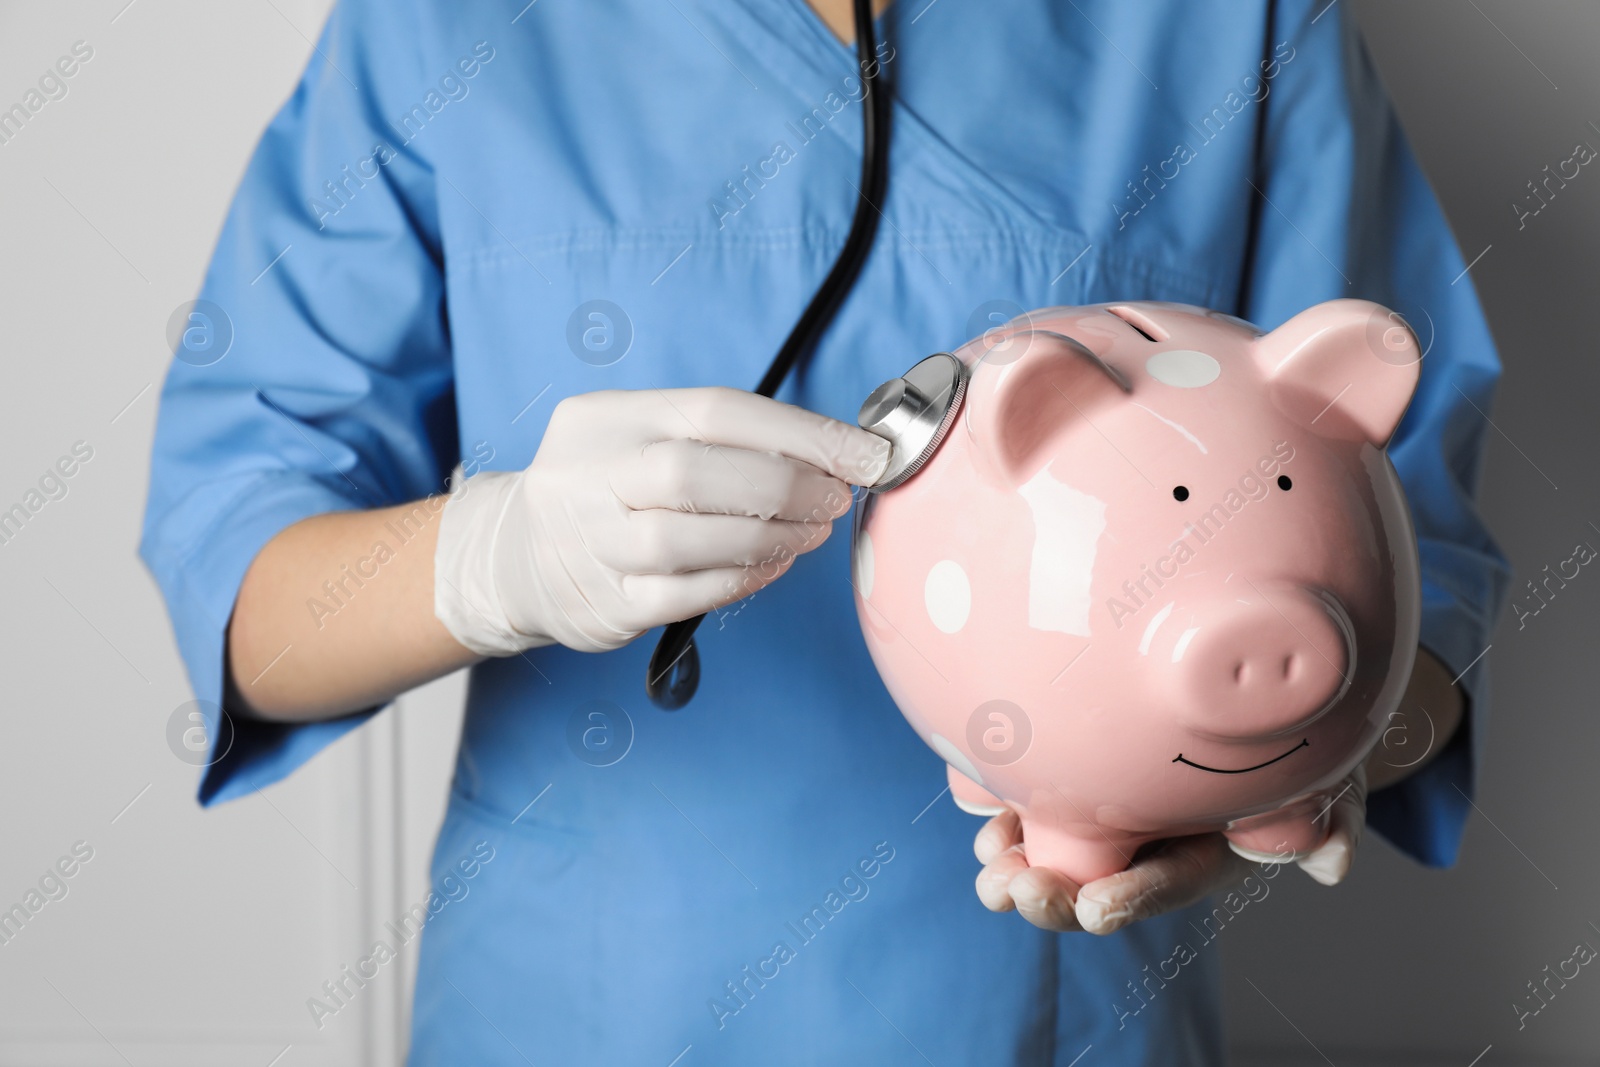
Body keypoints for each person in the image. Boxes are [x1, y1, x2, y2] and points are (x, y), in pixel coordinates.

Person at [140, 0, 1510, 1062]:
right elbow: (243, 585)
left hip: (1054, 1007)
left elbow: (1417, 566)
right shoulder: (447, 29)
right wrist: (491, 559)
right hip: (586, 1005)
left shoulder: (1229, 24)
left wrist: (1307, 764)